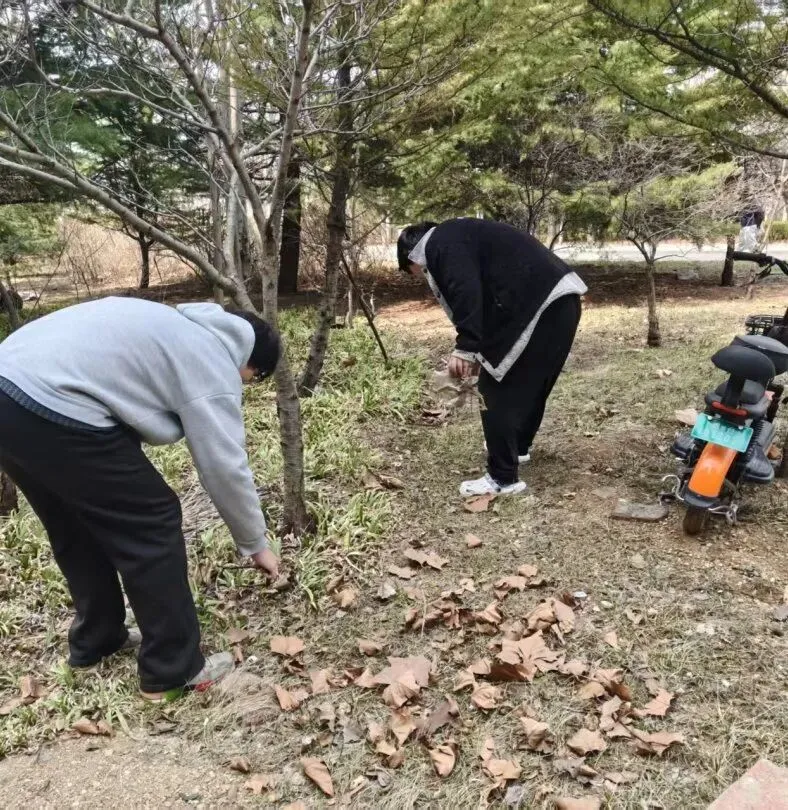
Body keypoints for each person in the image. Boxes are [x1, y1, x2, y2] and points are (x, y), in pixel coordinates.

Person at [0, 297, 280, 701]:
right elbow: (224, 466)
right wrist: (255, 544)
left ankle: (97, 640)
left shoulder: (173, 326)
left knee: (74, 524)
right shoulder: (214, 359)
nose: (242, 387)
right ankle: (173, 670)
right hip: (53, 401)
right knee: (152, 517)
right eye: (251, 380)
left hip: (11, 389)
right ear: (251, 362)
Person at [398, 218, 586, 497]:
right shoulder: (460, 236)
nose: (422, 275)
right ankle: (517, 448)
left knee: (492, 389)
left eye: (417, 271)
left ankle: (502, 478)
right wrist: (478, 349)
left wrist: (466, 347)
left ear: (411, 255)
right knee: (530, 384)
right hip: (561, 303)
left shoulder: (439, 244)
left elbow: (465, 290)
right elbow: (487, 296)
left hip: (539, 307)